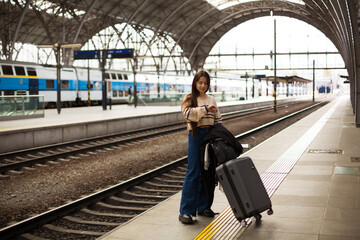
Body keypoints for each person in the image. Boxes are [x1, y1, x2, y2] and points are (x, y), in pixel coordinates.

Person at [179, 70, 222, 224]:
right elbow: (187, 115)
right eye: (200, 82)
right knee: (194, 173)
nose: (203, 85)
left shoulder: (212, 99)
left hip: (209, 137)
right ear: (195, 83)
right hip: (195, 138)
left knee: (208, 173)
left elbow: (218, 120)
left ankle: (203, 207)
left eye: (205, 83)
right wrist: (205, 109)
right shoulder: (189, 98)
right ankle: (186, 211)